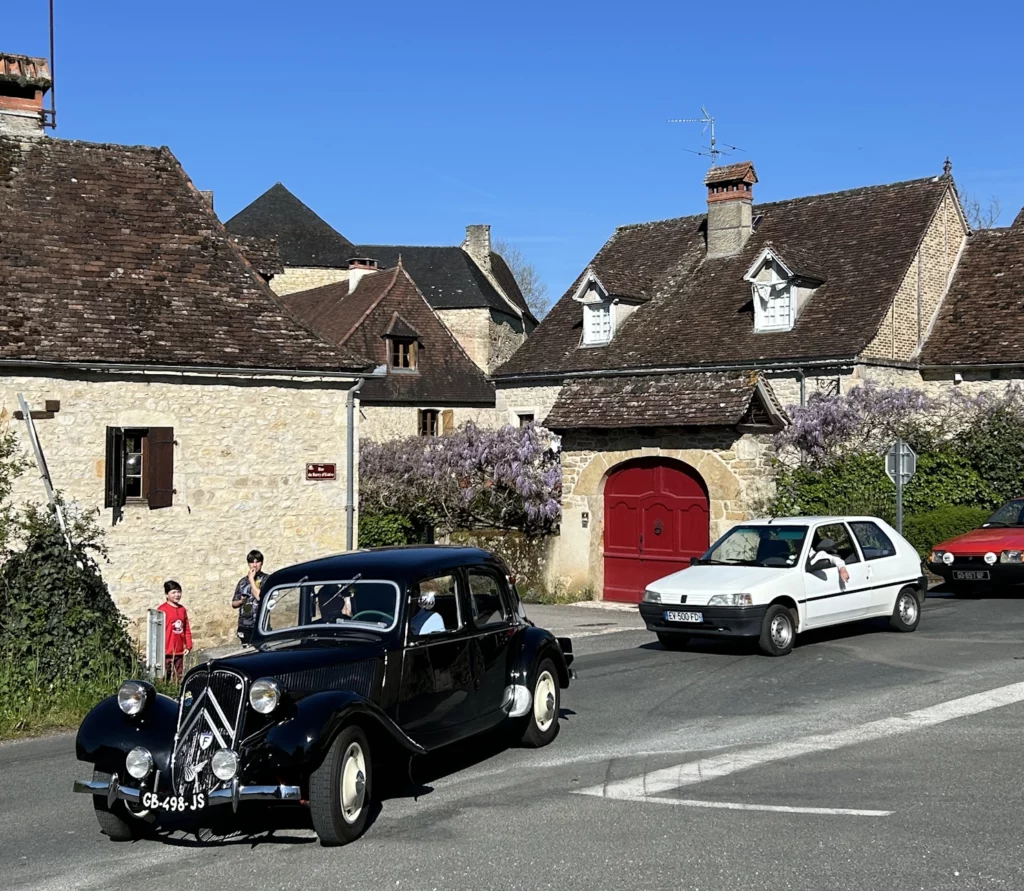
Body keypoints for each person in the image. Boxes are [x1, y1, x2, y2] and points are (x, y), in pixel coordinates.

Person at [232, 549, 269, 645]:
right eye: (252, 562)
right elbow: (234, 603)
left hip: (260, 624)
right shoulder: (243, 582)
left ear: (262, 563)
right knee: (246, 651)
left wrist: (251, 580)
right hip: (244, 624)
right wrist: (241, 601)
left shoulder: (266, 579)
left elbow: (259, 597)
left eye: (257, 562)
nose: (255, 565)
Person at [158, 580, 192, 681]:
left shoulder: (182, 609)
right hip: (166, 651)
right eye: (173, 592)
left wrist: (188, 644)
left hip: (179, 650)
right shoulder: (162, 610)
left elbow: (186, 628)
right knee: (164, 677)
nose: (177, 595)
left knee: (178, 676)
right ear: (167, 594)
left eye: (178, 592)